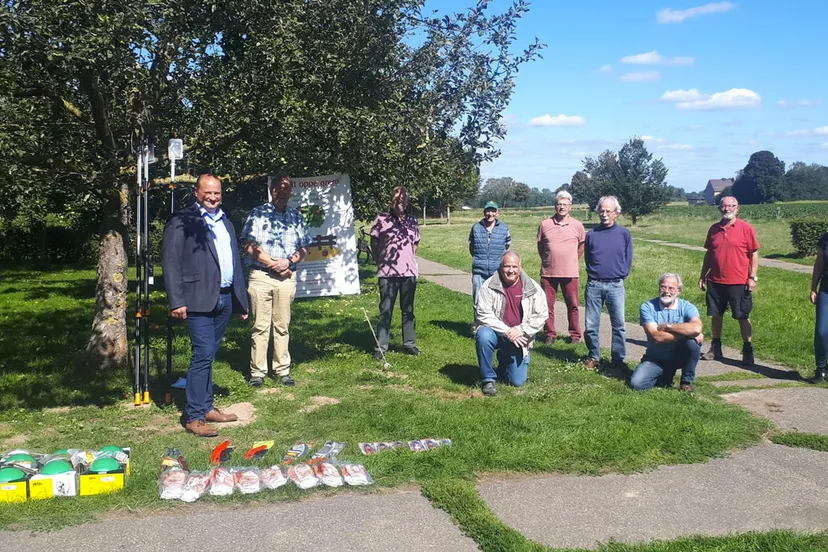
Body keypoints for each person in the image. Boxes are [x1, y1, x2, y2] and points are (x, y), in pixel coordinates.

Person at [162, 174, 249, 437]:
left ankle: (207, 406)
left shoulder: (226, 222)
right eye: (207, 193)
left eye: (217, 193)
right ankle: (194, 416)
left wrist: (240, 300)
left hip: (223, 297)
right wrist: (176, 300)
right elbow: (170, 261)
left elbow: (235, 261)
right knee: (202, 354)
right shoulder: (182, 220)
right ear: (197, 193)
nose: (212, 197)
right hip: (196, 298)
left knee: (210, 354)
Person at [240, 174, 312, 388]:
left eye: (286, 189)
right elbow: (247, 244)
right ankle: (257, 372)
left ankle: (282, 370)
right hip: (261, 276)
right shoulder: (258, 213)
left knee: (282, 325)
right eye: (277, 189)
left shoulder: (297, 217)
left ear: (291, 192)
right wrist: (273, 263)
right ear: (271, 191)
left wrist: (288, 262)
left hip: (286, 277)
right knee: (260, 326)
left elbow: (305, 247)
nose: (281, 193)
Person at [474, 252, 548, 396]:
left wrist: (520, 330)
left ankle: (504, 362)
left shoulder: (532, 287)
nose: (511, 270)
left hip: (519, 337)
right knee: (483, 335)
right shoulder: (488, 286)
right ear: (501, 267)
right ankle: (488, 379)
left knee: (517, 382)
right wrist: (508, 331)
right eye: (507, 266)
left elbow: (542, 315)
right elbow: (482, 314)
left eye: (514, 266)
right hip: (496, 333)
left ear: (520, 267)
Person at [698, 196, 759, 366]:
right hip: (715, 280)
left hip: (739, 281)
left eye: (731, 206)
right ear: (720, 208)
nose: (727, 209)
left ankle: (747, 349)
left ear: (737, 208)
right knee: (715, 314)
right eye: (724, 206)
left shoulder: (746, 228)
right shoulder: (714, 229)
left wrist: (752, 276)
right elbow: (709, 254)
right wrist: (703, 275)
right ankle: (716, 347)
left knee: (742, 316)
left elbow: (754, 253)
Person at [630, 273, 703, 392]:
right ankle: (664, 375)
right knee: (637, 384)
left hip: (678, 355)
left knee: (692, 344)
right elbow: (657, 337)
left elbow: (696, 328)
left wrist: (669, 326)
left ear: (678, 291)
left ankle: (686, 382)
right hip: (655, 357)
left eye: (671, 288)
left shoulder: (687, 307)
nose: (666, 291)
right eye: (663, 287)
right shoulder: (647, 307)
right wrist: (686, 332)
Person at [370, 186, 421, 359]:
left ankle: (409, 344)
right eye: (398, 198)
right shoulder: (382, 219)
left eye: (403, 199)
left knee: (408, 310)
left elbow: (415, 244)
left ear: (407, 201)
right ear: (392, 200)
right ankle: (381, 346)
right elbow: (374, 243)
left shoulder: (412, 221)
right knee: (385, 310)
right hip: (387, 273)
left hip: (408, 273)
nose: (400, 201)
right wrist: (380, 261)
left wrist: (408, 260)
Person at [583, 196, 633, 370]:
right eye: (601, 211)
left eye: (608, 211)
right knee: (591, 325)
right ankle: (593, 356)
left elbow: (628, 258)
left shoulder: (624, 234)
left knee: (619, 325)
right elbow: (588, 258)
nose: (604, 214)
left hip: (615, 286)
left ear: (616, 213)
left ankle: (618, 360)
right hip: (594, 285)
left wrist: (620, 274)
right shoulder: (591, 235)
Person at [537, 190, 585, 344]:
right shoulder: (545, 224)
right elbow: (540, 246)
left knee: (573, 305)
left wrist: (570, 259)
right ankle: (550, 334)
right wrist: (549, 259)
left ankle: (575, 335)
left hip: (570, 273)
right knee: (547, 305)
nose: (562, 207)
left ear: (570, 207)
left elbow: (581, 246)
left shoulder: (577, 225)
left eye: (565, 204)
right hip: (548, 272)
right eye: (559, 204)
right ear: (555, 206)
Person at [469, 201, 511, 311]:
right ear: (484, 212)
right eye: (488, 211)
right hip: (479, 272)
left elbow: (507, 246)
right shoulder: (476, 228)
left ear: (497, 213)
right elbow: (472, 247)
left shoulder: (504, 228)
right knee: (478, 303)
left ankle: (495, 327)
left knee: (497, 303)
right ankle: (478, 327)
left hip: (496, 272)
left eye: (493, 211)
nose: (490, 213)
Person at [810, 233, 828, 383]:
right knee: (821, 332)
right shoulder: (824, 239)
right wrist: (813, 288)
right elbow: (819, 264)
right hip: (825, 291)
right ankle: (820, 367)